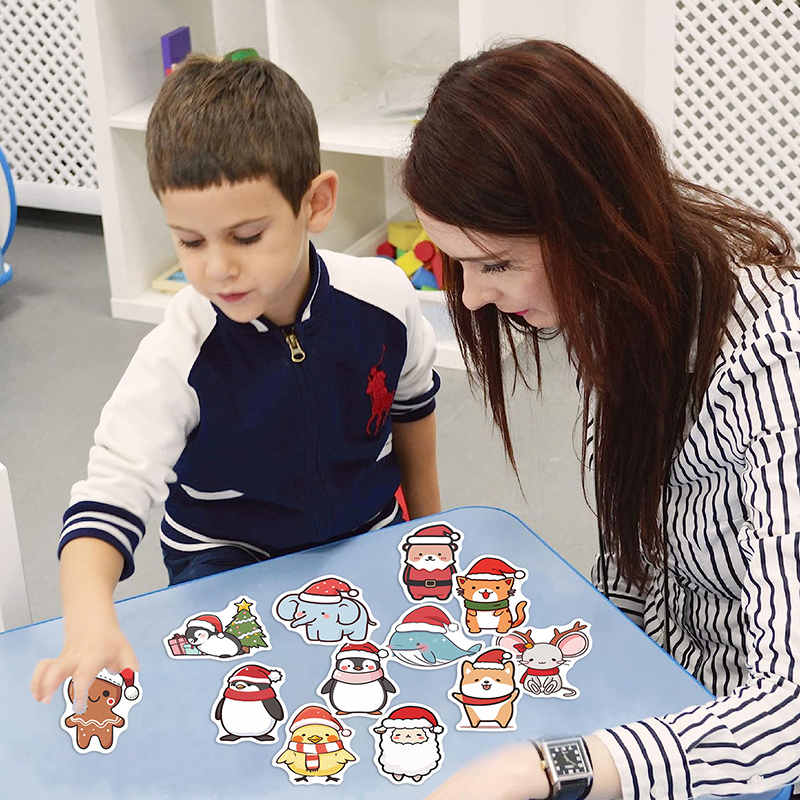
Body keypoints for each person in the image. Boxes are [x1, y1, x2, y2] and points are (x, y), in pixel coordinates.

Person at [402, 40, 800, 800]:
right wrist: (564, 665)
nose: (474, 297)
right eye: (460, 266)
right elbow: (639, 563)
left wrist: (550, 766)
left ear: (594, 227)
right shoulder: (631, 312)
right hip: (664, 696)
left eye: (496, 263)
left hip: (743, 746)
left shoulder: (776, 370)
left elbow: (788, 714)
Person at [31, 54, 441, 712]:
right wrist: (88, 621)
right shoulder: (177, 352)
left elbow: (412, 410)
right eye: (190, 242)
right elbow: (108, 498)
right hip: (227, 558)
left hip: (367, 531)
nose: (217, 268)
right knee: (249, 711)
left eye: (246, 236)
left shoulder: (385, 297)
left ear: (316, 203)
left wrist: (431, 529)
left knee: (382, 696)